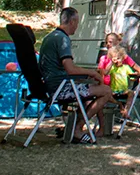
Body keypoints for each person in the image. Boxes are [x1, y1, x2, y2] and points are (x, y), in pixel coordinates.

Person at [39, 7, 115, 143]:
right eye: (77, 22)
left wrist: (86, 76)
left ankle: (73, 127)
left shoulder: (49, 37)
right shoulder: (63, 39)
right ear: (72, 21)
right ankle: (77, 129)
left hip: (50, 86)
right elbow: (70, 69)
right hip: (61, 89)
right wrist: (92, 72)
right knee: (106, 91)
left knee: (89, 92)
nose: (77, 26)